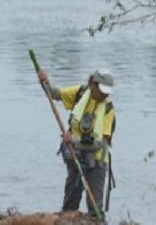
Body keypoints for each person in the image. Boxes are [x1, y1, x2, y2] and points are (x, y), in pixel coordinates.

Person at [36, 68, 115, 216]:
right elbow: (54, 94)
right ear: (93, 84)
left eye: (107, 92)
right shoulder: (80, 93)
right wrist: (44, 82)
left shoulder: (108, 109)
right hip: (75, 155)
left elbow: (99, 143)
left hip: (97, 161)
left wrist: (73, 140)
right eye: (102, 91)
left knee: (95, 209)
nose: (105, 95)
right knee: (70, 205)